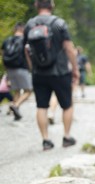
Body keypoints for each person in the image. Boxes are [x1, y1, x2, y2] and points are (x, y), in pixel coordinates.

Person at [24, 0, 79, 151]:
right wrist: (75, 69)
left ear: (36, 6)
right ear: (51, 5)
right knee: (67, 105)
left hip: (38, 73)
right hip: (60, 71)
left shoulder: (29, 25)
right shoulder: (59, 24)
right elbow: (69, 48)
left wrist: (32, 68)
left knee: (41, 106)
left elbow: (26, 50)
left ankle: (46, 140)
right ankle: (67, 137)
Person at [1, 23, 33, 121]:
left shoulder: (7, 40)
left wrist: (6, 69)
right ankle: (16, 105)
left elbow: (2, 55)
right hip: (22, 68)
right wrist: (31, 67)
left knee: (17, 90)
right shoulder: (24, 41)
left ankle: (16, 113)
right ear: (23, 30)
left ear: (15, 29)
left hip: (10, 69)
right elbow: (27, 54)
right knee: (28, 90)